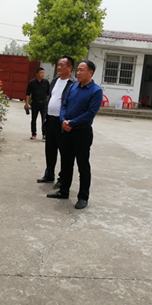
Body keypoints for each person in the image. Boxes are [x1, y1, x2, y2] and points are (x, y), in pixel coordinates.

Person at [46, 60, 103, 210]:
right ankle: (63, 190)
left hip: (82, 132)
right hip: (67, 130)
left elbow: (90, 113)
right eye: (78, 70)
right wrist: (63, 120)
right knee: (66, 162)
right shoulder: (73, 87)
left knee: (83, 165)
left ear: (90, 73)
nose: (78, 73)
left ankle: (83, 197)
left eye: (82, 70)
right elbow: (64, 105)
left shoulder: (96, 91)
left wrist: (72, 122)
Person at [37, 56, 77, 186]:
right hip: (50, 120)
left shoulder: (74, 83)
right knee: (50, 149)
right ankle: (49, 174)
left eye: (62, 65)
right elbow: (51, 97)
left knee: (65, 152)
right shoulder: (54, 81)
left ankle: (62, 179)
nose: (58, 67)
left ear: (70, 68)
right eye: (58, 65)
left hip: (63, 122)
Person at [24, 67, 50, 140]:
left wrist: (48, 103)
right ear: (37, 74)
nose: (42, 74)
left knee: (44, 119)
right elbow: (28, 94)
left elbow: (48, 94)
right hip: (35, 103)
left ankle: (44, 134)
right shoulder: (32, 83)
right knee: (33, 118)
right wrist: (26, 103)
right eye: (41, 73)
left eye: (43, 73)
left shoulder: (46, 82)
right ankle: (33, 133)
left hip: (44, 103)